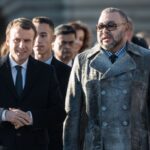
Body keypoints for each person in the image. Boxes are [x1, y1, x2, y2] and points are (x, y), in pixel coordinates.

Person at [63, 7, 150, 150]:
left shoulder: (145, 59)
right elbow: (73, 115)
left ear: (126, 28)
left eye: (111, 26)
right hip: (96, 145)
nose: (104, 30)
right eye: (100, 26)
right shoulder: (83, 60)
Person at [0, 17, 66, 150]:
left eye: (27, 40)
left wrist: (30, 117)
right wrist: (4, 115)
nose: (22, 45)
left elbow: (58, 111)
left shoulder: (46, 72)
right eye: (17, 40)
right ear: (7, 41)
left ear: (33, 41)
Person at [32, 16, 71, 150]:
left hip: (56, 143)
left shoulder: (67, 72)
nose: (38, 40)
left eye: (43, 35)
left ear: (53, 39)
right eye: (35, 35)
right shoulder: (20, 70)